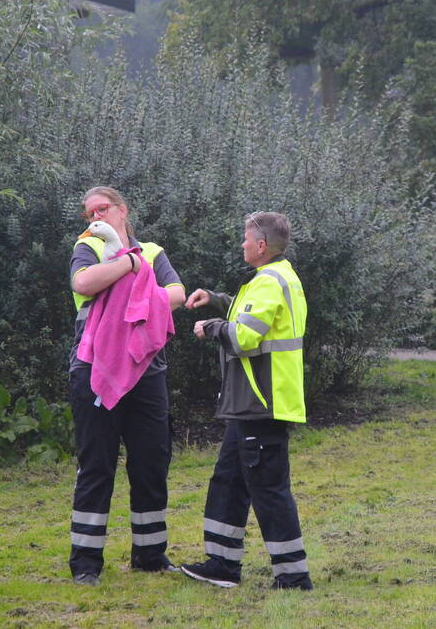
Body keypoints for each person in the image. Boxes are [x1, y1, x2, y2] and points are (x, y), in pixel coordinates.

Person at [180, 212, 314, 591]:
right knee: (228, 480)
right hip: (251, 404)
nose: (241, 244)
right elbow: (253, 316)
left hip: (261, 403)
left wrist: (211, 327)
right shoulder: (274, 277)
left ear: (260, 245)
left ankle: (293, 576)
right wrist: (218, 300)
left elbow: (243, 338)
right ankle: (222, 564)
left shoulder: (270, 281)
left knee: (268, 488)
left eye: (245, 238)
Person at [67, 186, 186, 586]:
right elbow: (84, 283)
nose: (94, 217)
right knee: (97, 464)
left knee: (151, 462)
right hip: (94, 369)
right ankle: (85, 563)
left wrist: (134, 274)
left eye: (101, 209)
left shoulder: (152, 251)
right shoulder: (89, 245)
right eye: (88, 213)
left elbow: (176, 295)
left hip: (148, 371)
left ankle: (150, 555)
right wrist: (129, 267)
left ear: (122, 209)